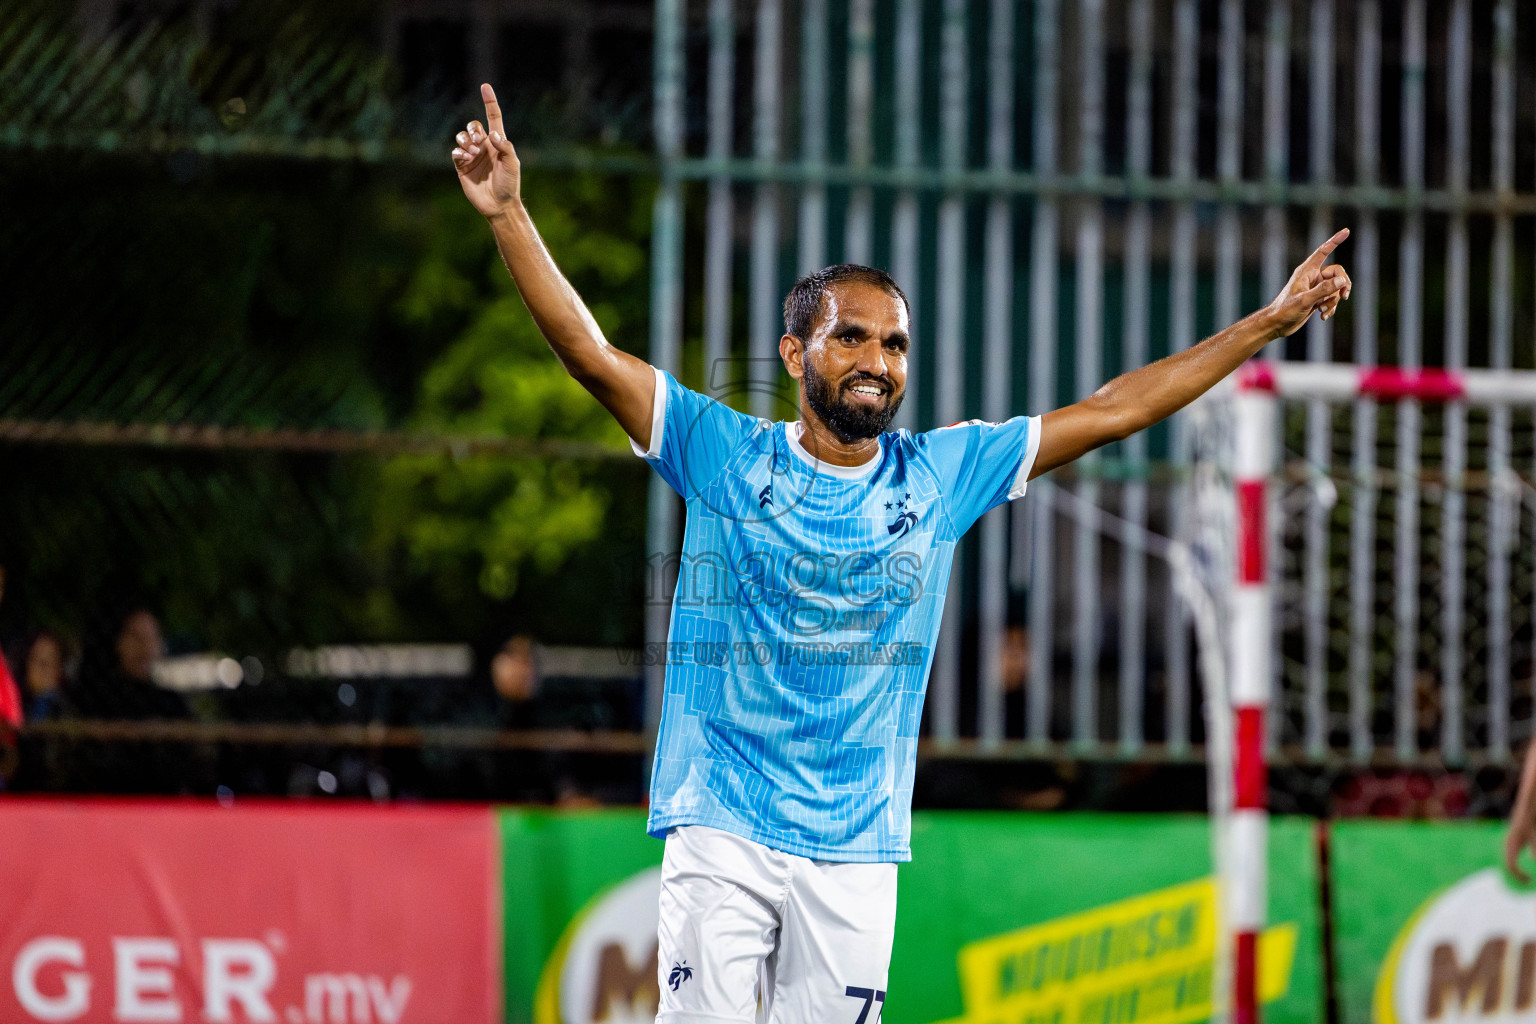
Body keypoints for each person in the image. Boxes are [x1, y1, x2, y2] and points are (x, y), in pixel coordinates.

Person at [451, 83, 1351, 1023]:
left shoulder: (941, 475)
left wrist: (1265, 324)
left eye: (895, 342)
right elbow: (593, 355)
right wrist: (511, 214)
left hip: (856, 848)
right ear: (796, 356)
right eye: (852, 337)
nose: (878, 359)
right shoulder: (724, 451)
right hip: (721, 825)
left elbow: (1114, 407)